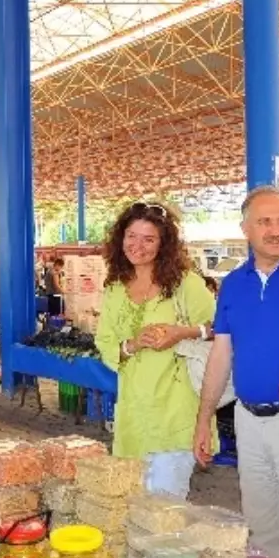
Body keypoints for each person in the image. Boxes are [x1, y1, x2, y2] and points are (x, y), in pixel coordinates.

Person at [193, 187, 279, 552]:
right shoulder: (234, 284)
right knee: (262, 529)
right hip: (247, 422)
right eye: (264, 221)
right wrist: (204, 419)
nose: (276, 229)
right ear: (245, 229)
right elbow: (221, 354)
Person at [95, 201, 216, 497]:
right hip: (132, 416)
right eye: (131, 236)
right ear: (120, 238)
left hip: (176, 414)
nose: (138, 246)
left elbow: (221, 329)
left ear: (164, 244)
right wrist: (133, 344)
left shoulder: (184, 284)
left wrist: (182, 333)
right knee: (131, 506)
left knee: (164, 517)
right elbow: (105, 343)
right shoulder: (114, 288)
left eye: (149, 239)